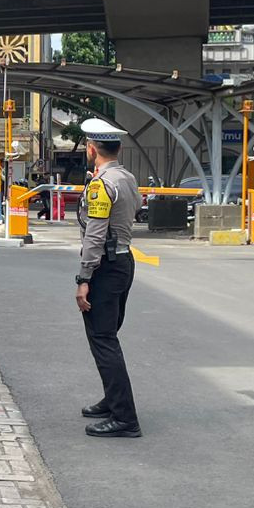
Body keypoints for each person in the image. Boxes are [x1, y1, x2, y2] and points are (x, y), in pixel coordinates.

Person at [74, 119, 142, 438]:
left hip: (105, 266)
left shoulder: (102, 184)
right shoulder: (125, 177)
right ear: (118, 148)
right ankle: (112, 401)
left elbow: (95, 235)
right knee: (107, 335)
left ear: (91, 148)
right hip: (124, 262)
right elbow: (134, 210)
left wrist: (84, 277)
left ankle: (125, 418)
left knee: (103, 339)